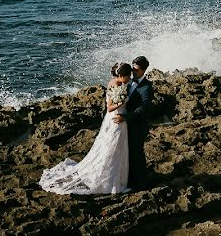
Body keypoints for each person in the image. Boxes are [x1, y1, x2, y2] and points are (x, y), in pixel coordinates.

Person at [40, 62, 132, 195]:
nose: (129, 78)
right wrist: (122, 102)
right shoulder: (116, 84)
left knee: (114, 148)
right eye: (128, 76)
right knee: (112, 148)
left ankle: (115, 176)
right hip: (116, 118)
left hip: (117, 119)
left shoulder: (115, 82)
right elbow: (110, 107)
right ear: (122, 76)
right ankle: (109, 179)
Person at [113, 55, 152, 190]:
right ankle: (127, 180)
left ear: (143, 70)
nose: (132, 72)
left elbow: (142, 108)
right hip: (124, 125)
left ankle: (141, 184)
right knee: (125, 153)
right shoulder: (128, 81)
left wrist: (125, 117)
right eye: (132, 69)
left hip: (137, 126)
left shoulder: (147, 87)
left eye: (135, 70)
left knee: (137, 155)